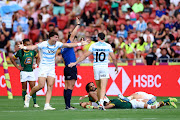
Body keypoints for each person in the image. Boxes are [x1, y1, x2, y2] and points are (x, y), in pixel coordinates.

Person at [18, 32, 88, 110]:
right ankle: (28, 95)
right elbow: (33, 47)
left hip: (51, 67)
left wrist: (80, 44)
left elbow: (68, 45)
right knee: (41, 85)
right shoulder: (43, 44)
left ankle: (47, 105)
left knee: (50, 86)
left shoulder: (57, 44)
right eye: (55, 37)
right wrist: (24, 47)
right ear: (50, 37)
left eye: (57, 37)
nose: (57, 39)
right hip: (43, 67)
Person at [68, 32, 118, 110]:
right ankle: (101, 103)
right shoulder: (108, 46)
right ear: (104, 38)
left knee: (98, 87)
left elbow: (85, 55)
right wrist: (116, 67)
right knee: (103, 87)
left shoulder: (94, 45)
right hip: (104, 67)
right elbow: (114, 58)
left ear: (98, 38)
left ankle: (100, 102)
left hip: (96, 67)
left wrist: (75, 63)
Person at [10, 39, 40, 108]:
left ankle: (35, 103)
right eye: (28, 44)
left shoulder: (32, 51)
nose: (29, 45)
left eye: (30, 44)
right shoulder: (20, 52)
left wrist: (36, 64)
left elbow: (38, 57)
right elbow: (12, 59)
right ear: (24, 45)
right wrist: (17, 67)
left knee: (33, 88)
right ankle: (25, 102)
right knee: (24, 88)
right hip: (23, 72)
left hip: (31, 71)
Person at [61, 17, 81, 110]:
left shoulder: (63, 48)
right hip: (71, 67)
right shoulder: (69, 43)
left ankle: (67, 105)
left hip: (66, 67)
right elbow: (72, 35)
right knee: (70, 86)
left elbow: (64, 59)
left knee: (66, 86)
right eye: (74, 39)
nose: (75, 41)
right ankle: (68, 106)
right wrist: (78, 25)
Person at [86, 97, 178, 109]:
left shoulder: (113, 103)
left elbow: (105, 108)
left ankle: (167, 100)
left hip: (135, 104)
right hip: (133, 102)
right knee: (153, 106)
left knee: (152, 107)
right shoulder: (114, 100)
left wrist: (93, 107)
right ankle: (167, 103)